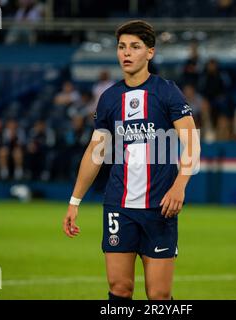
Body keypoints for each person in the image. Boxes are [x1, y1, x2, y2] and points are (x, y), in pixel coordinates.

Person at [62, 20, 200, 300]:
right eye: (122, 47)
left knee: (159, 295)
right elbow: (96, 152)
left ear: (150, 52)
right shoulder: (109, 98)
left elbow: (191, 142)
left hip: (159, 207)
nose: (126, 53)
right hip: (118, 205)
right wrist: (74, 201)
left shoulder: (167, 92)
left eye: (135, 47)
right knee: (119, 288)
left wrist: (180, 185)